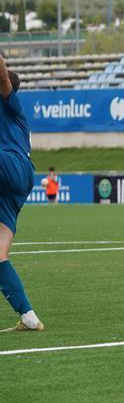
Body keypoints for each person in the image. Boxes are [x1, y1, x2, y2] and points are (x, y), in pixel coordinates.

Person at [0, 55, 43, 332]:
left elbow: (3, 77)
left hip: (12, 165)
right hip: (16, 183)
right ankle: (29, 317)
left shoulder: (9, 101)